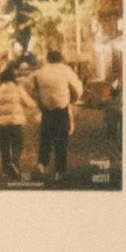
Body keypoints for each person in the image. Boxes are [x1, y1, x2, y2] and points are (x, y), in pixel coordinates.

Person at [31, 49, 85, 179]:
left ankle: (43, 163)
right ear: (60, 58)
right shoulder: (66, 70)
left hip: (47, 111)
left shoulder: (40, 72)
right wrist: (72, 100)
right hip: (62, 110)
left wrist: (39, 101)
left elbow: (30, 87)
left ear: (48, 59)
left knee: (45, 138)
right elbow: (78, 88)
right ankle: (59, 171)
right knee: (61, 141)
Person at [0, 69, 36, 180]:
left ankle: (6, 170)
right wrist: (36, 104)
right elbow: (29, 103)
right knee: (17, 143)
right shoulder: (18, 89)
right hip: (15, 122)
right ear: (13, 78)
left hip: (0, 124)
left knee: (4, 147)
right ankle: (15, 161)